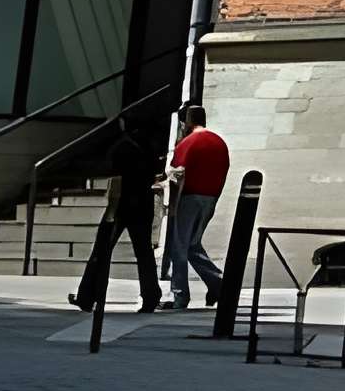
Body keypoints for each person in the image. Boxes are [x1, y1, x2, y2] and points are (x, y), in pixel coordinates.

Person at [68, 110, 164, 316]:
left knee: (101, 250)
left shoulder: (122, 147)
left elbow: (116, 180)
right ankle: (151, 296)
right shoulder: (149, 146)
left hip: (122, 203)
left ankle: (87, 295)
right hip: (143, 203)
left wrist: (111, 210)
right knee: (144, 253)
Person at [161, 103, 232, 312]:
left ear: (187, 121)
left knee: (179, 247)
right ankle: (219, 284)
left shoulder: (187, 143)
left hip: (189, 198)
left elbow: (178, 175)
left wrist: (172, 205)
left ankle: (180, 295)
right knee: (193, 245)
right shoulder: (219, 143)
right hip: (210, 198)